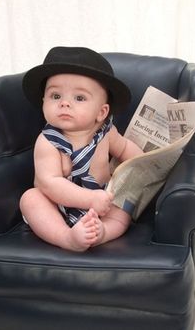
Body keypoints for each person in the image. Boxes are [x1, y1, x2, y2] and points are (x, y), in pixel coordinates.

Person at [20, 46, 143, 252]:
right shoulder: (47, 141)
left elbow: (124, 149)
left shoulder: (106, 132)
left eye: (79, 98)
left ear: (102, 112)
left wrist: (146, 163)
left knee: (124, 204)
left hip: (102, 200)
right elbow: (49, 183)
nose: (65, 103)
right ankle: (66, 237)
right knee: (31, 199)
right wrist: (90, 199)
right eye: (55, 96)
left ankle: (102, 232)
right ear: (43, 102)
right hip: (58, 205)